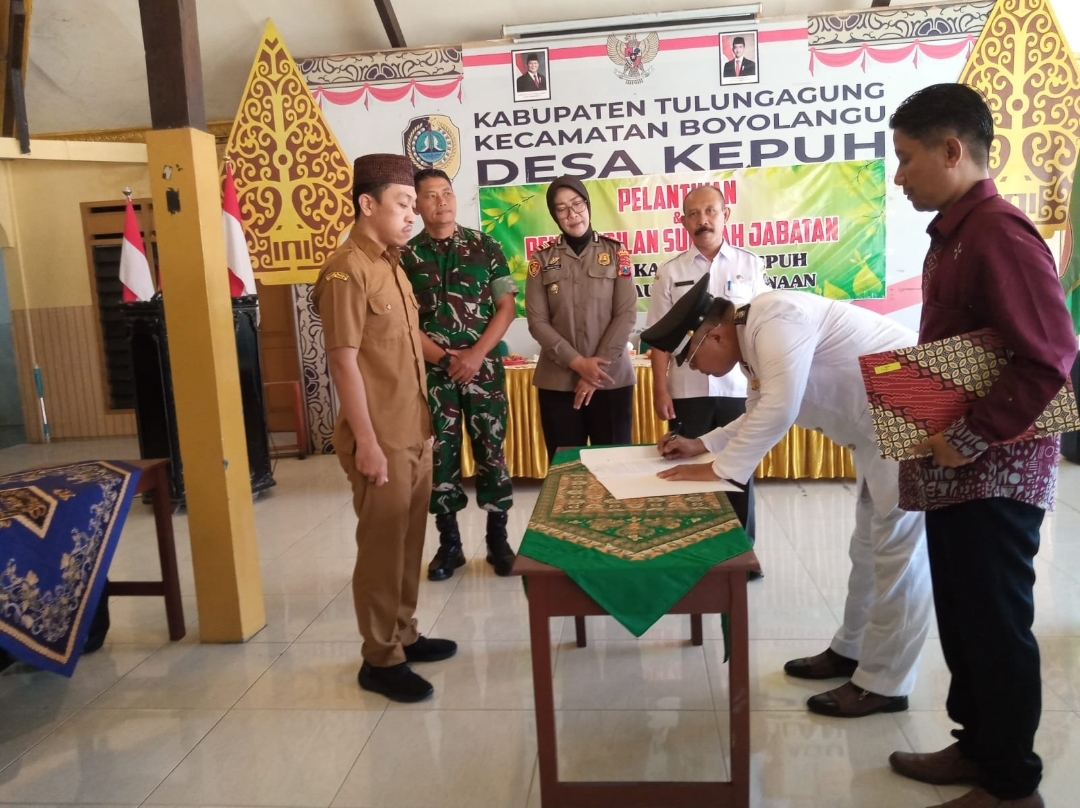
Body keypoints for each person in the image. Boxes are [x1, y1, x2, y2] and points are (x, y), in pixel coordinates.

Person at [885, 84, 1076, 808]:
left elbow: (1050, 357)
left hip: (994, 467)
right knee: (965, 618)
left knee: (995, 625)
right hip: (961, 466)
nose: (898, 176)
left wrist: (968, 435)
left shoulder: (999, 232)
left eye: (906, 158)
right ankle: (977, 747)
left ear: (951, 150)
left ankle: (1011, 785)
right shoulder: (956, 233)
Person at [643, 279, 933, 718]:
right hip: (879, 424)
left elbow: (780, 408)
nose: (698, 370)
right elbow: (759, 410)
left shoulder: (775, 317)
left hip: (909, 408)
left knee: (899, 553)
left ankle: (886, 683)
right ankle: (851, 650)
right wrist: (702, 444)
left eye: (692, 358)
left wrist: (718, 470)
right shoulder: (755, 336)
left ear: (715, 336)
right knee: (868, 546)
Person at [313, 153, 457, 704]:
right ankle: (379, 658)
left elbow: (404, 348)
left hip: (412, 429)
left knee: (408, 540)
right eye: (403, 204)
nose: (412, 215)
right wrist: (368, 444)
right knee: (381, 549)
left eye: (413, 205)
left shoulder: (392, 264)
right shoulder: (346, 270)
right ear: (367, 204)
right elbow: (343, 360)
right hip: (381, 438)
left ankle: (404, 633)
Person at [400, 168, 518, 581]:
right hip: (435, 377)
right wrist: (447, 360)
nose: (441, 201)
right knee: (440, 457)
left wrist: (476, 355)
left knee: (492, 452)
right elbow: (403, 322)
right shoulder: (405, 257)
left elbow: (507, 307)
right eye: (430, 195)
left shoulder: (486, 246)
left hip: (484, 372)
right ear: (416, 205)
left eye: (446, 193)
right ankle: (449, 544)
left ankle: (498, 540)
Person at [646, 184, 769, 550]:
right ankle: (694, 551)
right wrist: (660, 388)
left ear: (725, 214)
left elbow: (762, 329)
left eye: (710, 211)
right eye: (694, 214)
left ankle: (740, 552)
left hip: (738, 388)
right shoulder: (670, 272)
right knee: (687, 470)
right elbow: (659, 338)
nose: (703, 220)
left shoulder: (750, 265)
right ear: (684, 221)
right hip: (688, 388)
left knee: (737, 470)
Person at [525, 175, 637, 463]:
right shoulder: (541, 259)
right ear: (554, 215)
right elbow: (537, 321)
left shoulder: (617, 253)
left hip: (611, 380)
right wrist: (578, 363)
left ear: (587, 204)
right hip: (558, 383)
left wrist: (594, 370)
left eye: (577, 204)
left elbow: (626, 314)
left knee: (614, 468)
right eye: (562, 208)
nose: (572, 214)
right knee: (566, 471)